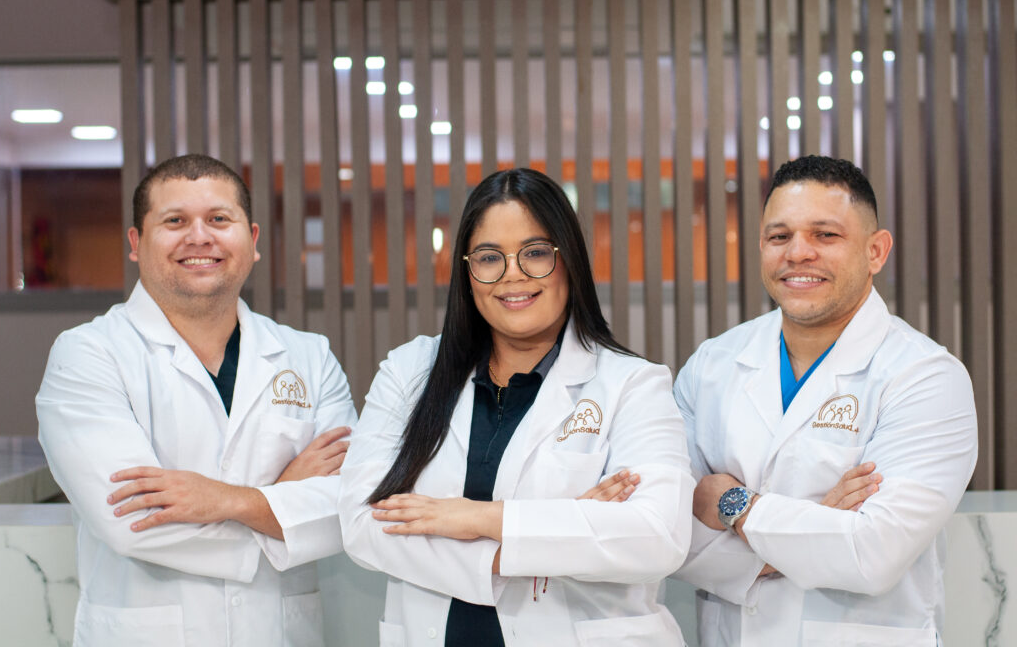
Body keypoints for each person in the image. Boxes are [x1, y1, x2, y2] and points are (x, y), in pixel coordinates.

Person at [338, 168, 694, 646]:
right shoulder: (409, 372)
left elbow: (655, 537)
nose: (513, 274)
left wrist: (474, 518)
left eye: (535, 252)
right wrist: (554, 531)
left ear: (569, 260)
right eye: (489, 257)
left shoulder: (632, 384)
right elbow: (363, 524)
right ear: (467, 272)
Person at [36, 154, 356, 647]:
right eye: (175, 221)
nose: (200, 237)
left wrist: (226, 500)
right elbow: (134, 522)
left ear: (252, 241)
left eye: (219, 219)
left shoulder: (309, 357)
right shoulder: (87, 355)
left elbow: (347, 509)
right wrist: (282, 504)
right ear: (136, 243)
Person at [672, 155, 977, 646]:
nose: (798, 253)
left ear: (875, 251)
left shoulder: (925, 377)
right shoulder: (712, 364)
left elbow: (872, 555)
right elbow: (667, 532)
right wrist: (815, 528)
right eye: (779, 236)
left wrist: (734, 505)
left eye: (825, 235)